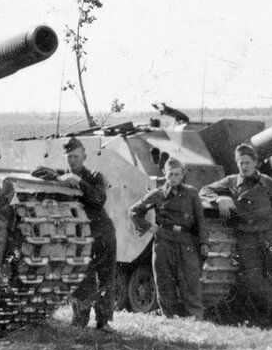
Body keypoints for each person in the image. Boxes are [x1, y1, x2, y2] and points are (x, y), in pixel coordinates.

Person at [200, 143, 272, 326]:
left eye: (247, 162)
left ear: (256, 163)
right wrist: (219, 198)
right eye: (240, 162)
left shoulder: (267, 182)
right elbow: (205, 190)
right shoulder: (231, 182)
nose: (244, 166)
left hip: (269, 235)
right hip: (246, 237)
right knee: (253, 279)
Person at [33, 137, 117, 332]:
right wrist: (57, 176)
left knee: (106, 277)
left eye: (76, 156)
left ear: (84, 156)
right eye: (69, 156)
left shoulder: (95, 176)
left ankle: (103, 322)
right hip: (79, 235)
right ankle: (80, 319)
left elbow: (99, 199)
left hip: (102, 232)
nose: (72, 160)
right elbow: (36, 171)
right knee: (81, 277)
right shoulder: (62, 175)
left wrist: (79, 181)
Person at [129, 158, 209, 320]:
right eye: (170, 174)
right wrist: (151, 228)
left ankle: (195, 316)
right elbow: (134, 211)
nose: (173, 178)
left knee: (190, 280)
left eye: (177, 174)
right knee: (164, 280)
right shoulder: (158, 194)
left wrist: (204, 242)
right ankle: (169, 316)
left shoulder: (191, 193)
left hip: (186, 241)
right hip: (164, 241)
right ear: (165, 174)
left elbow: (201, 220)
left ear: (182, 175)